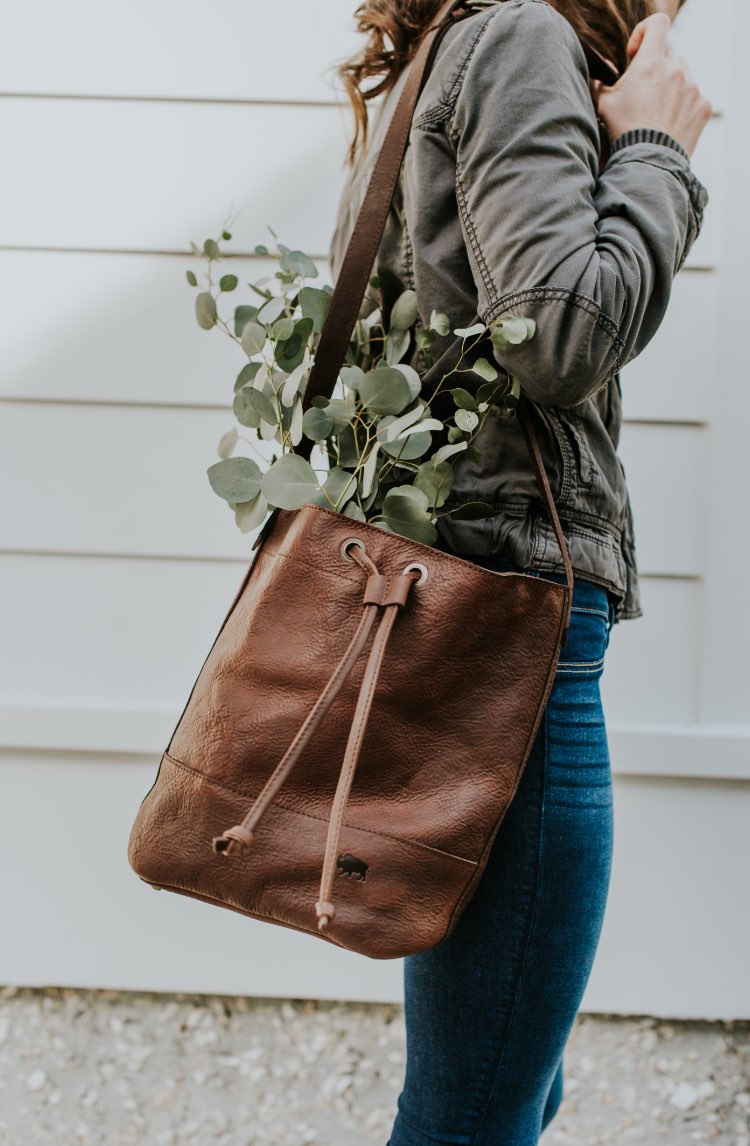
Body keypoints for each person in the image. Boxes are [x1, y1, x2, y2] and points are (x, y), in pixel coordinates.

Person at [329, 1, 711, 1142]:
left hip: (470, 603)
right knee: (479, 1108)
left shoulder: (460, 45)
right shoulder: (520, 38)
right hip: (515, 634)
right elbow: (557, 333)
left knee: (498, 1084)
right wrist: (657, 156)